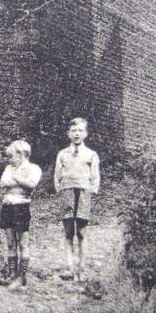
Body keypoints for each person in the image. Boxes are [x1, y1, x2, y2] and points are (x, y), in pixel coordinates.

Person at [54, 118, 100, 282]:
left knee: (81, 232)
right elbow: (57, 176)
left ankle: (81, 268)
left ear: (85, 133)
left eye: (80, 131)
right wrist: (60, 190)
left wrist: (91, 192)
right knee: (68, 232)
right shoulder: (62, 154)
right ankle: (70, 267)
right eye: (74, 131)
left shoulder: (91, 155)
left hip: (83, 192)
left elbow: (95, 178)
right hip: (67, 192)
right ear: (68, 134)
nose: (77, 134)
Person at [0, 139, 42, 290]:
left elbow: (31, 184)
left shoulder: (34, 168)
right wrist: (19, 181)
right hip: (7, 205)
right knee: (10, 242)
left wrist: (15, 179)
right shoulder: (9, 167)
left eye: (12, 156)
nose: (10, 159)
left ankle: (21, 276)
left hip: (21, 207)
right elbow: (2, 183)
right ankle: (12, 273)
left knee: (23, 242)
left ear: (22, 154)